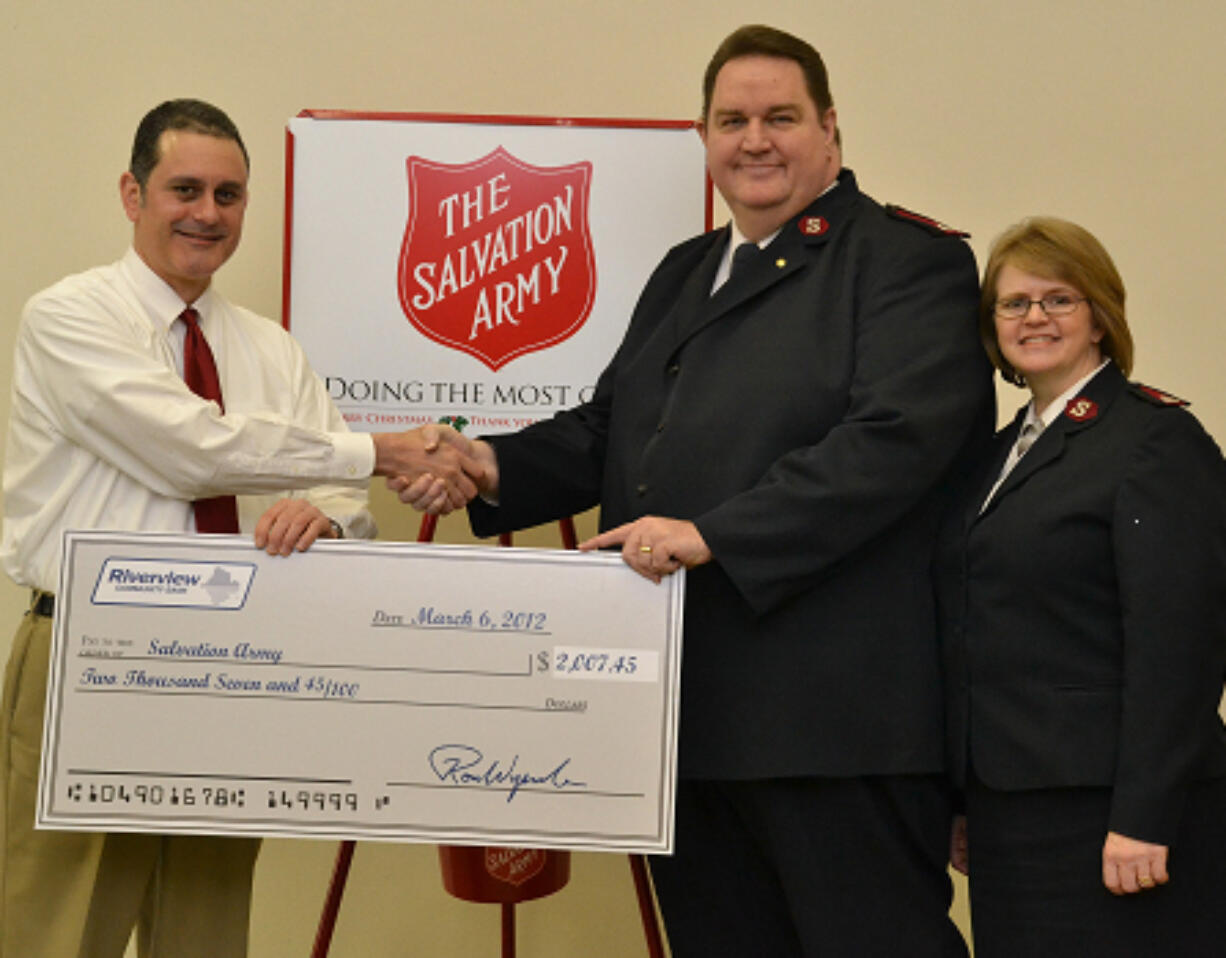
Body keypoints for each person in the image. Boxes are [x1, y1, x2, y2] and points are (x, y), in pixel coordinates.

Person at [396, 25, 993, 956]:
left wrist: (710, 534)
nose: (755, 139)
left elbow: (893, 445)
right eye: (732, 120)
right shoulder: (686, 270)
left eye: (780, 117)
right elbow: (611, 432)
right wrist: (490, 465)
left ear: (830, 129)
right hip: (684, 719)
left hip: (835, 732)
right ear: (704, 137)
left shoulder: (907, 263)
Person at [0, 98, 481, 958]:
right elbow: (191, 453)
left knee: (207, 927)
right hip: (91, 651)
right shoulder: (69, 318)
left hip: (239, 663)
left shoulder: (271, 349)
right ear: (132, 193)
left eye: (229, 195)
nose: (207, 213)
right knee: (58, 927)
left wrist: (326, 525)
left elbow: (342, 503)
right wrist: (380, 449)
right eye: (184, 188)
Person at [938, 216, 1226, 955]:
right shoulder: (996, 456)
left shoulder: (1154, 441)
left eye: (1058, 298)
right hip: (1013, 812)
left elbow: (1180, 646)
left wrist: (1145, 817)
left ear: (1099, 314)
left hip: (1114, 819)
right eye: (1013, 303)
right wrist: (965, 801)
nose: (1035, 317)